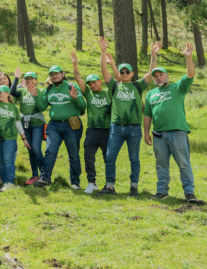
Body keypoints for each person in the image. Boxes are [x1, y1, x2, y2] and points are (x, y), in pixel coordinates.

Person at [144, 43, 204, 204]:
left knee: (184, 163)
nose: (158, 78)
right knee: (161, 164)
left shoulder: (178, 87)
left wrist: (189, 57)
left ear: (167, 76)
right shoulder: (151, 94)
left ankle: (189, 193)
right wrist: (146, 132)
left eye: (161, 75)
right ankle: (162, 191)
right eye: (155, 76)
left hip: (177, 132)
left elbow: (190, 75)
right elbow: (148, 114)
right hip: (158, 135)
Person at [99, 37, 157, 196]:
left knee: (134, 159)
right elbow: (104, 70)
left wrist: (153, 55)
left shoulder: (138, 85)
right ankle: (110, 186)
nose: (124, 74)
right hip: (116, 128)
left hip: (134, 129)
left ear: (132, 73)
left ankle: (134, 187)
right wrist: (103, 51)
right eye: (121, 71)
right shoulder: (114, 85)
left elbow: (152, 73)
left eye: (127, 71)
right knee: (110, 157)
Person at [33, 64, 87, 189]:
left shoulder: (71, 86)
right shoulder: (49, 89)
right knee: (50, 150)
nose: (54, 76)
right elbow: (42, 107)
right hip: (54, 125)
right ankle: (45, 179)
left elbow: (83, 106)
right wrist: (36, 96)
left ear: (62, 74)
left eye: (57, 73)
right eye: (52, 74)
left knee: (73, 154)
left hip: (72, 125)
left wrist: (75, 98)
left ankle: (75, 182)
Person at [70, 51, 112, 194]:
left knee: (108, 158)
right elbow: (77, 77)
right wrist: (75, 63)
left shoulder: (109, 92)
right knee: (88, 156)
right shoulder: (88, 93)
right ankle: (92, 182)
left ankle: (109, 184)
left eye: (95, 82)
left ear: (100, 81)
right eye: (90, 83)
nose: (92, 85)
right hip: (93, 130)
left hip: (107, 130)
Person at [0, 84, 28, 191]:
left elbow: (18, 123)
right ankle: (5, 182)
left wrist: (24, 138)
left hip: (10, 136)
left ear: (8, 93)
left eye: (1, 92)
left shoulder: (13, 107)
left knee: (8, 159)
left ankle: (10, 182)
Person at [11, 69, 46, 185]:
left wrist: (35, 96)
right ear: (24, 81)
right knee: (30, 149)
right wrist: (16, 80)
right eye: (27, 79)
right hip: (25, 124)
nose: (30, 81)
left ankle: (44, 174)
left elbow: (42, 108)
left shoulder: (41, 91)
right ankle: (35, 175)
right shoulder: (21, 91)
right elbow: (12, 100)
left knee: (36, 149)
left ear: (36, 80)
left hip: (37, 124)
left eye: (32, 78)